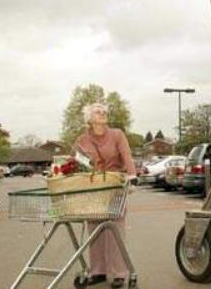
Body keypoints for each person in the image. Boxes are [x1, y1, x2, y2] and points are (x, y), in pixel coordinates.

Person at [74, 103, 137, 289]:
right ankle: (98, 271)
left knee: (115, 227)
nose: (102, 114)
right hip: (93, 188)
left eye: (104, 111)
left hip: (115, 184)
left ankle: (118, 274)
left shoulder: (117, 135)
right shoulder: (82, 140)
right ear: (89, 118)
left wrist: (132, 176)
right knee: (95, 227)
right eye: (98, 112)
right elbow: (77, 162)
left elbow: (126, 155)